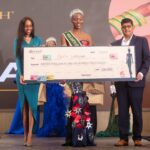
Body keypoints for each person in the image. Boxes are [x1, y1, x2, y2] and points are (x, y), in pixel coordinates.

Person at [111, 18, 150, 146]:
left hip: (136, 82)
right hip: (121, 84)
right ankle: (123, 138)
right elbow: (112, 65)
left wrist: (141, 73)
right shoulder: (115, 45)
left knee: (137, 111)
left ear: (133, 27)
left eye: (128, 26)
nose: (126, 29)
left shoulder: (142, 41)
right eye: (124, 27)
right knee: (122, 111)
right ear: (121, 29)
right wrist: (112, 82)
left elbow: (147, 60)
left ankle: (137, 137)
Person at [61, 8, 96, 146]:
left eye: (80, 18)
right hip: (72, 74)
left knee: (86, 105)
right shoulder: (65, 35)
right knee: (74, 105)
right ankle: (71, 137)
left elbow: (92, 56)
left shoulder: (88, 37)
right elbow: (63, 56)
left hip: (85, 74)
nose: (78, 21)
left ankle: (88, 136)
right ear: (71, 20)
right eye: (75, 19)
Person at [13, 17, 42, 146]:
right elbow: (18, 60)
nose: (28, 28)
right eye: (26, 26)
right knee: (24, 107)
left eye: (30, 26)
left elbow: (41, 58)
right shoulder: (17, 41)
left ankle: (30, 135)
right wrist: (20, 74)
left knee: (32, 107)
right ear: (22, 27)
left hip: (34, 79)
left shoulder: (38, 40)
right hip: (22, 78)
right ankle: (25, 134)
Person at [37, 37, 67, 137]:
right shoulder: (43, 57)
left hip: (59, 86)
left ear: (55, 45)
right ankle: (49, 129)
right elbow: (40, 75)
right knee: (49, 108)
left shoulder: (60, 57)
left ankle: (59, 129)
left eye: (53, 44)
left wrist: (63, 82)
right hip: (49, 86)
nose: (51, 45)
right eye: (49, 44)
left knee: (60, 108)